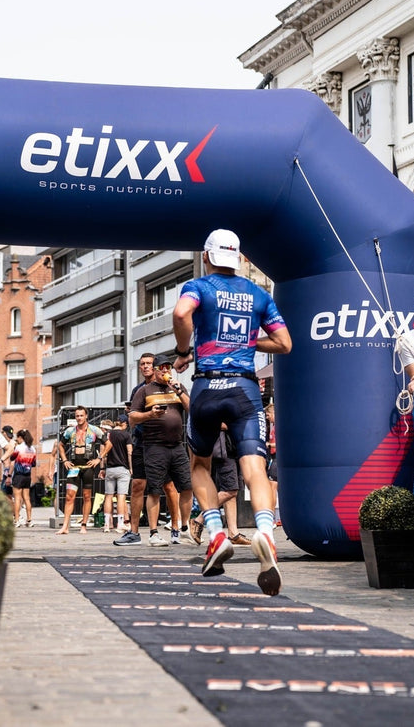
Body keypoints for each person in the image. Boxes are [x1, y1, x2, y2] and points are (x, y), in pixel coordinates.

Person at [173, 228, 292, 595]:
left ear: (207, 257)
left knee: (199, 465)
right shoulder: (258, 294)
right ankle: (266, 535)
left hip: (207, 386)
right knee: (254, 468)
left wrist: (182, 349)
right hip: (244, 387)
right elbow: (285, 344)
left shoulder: (199, 286)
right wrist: (246, 337)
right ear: (239, 258)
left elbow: (181, 314)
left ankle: (215, 533)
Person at [128, 355, 193, 547]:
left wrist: (179, 391)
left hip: (177, 446)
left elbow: (191, 408)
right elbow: (132, 418)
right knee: (155, 489)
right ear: (155, 371)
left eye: (168, 368)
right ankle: (154, 532)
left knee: (186, 486)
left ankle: (184, 528)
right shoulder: (144, 391)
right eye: (161, 368)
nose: (165, 371)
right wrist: (149, 414)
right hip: (154, 446)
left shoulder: (177, 388)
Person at [114, 353, 156, 545]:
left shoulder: (164, 388)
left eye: (149, 363)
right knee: (137, 485)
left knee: (168, 487)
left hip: (161, 442)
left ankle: (176, 528)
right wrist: (131, 414)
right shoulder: (137, 389)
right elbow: (133, 416)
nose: (146, 366)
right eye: (142, 364)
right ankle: (134, 531)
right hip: (140, 440)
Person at [190, 426, 251, 546]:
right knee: (230, 491)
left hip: (235, 448)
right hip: (224, 449)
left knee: (233, 492)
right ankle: (199, 520)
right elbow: (218, 422)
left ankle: (233, 534)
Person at [54, 406, 109, 535]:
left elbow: (108, 444)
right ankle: (65, 526)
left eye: (81, 415)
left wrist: (99, 459)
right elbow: (60, 445)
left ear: (86, 416)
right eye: (77, 416)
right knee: (69, 497)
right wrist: (64, 460)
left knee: (87, 496)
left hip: (88, 468)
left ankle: (83, 525)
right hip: (73, 468)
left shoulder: (94, 430)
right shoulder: (70, 431)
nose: (79, 418)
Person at [102, 415, 133, 533]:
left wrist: (102, 467)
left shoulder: (108, 434)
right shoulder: (126, 435)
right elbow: (129, 452)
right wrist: (131, 468)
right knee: (121, 496)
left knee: (108, 496)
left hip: (110, 468)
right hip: (122, 468)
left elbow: (103, 451)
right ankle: (120, 523)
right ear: (124, 424)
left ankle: (106, 524)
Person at [9, 429, 37, 527]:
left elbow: (12, 458)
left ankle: (16, 520)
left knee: (17, 498)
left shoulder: (19, 448)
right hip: (27, 476)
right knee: (27, 498)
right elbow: (33, 463)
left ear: (21, 438)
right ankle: (29, 520)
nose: (17, 440)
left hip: (18, 475)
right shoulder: (33, 449)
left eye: (18, 438)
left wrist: (14, 448)